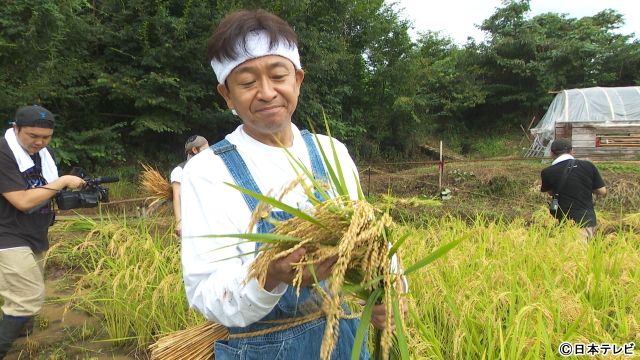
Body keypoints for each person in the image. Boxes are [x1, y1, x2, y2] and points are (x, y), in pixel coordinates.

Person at [180, 10, 396, 359]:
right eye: (247, 83)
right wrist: (272, 276)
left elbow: (371, 241)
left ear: (297, 80)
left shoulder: (331, 153)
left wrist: (385, 291)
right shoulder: (208, 171)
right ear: (227, 95)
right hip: (262, 348)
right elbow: (206, 293)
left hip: (345, 338)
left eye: (278, 76)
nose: (266, 93)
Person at [0, 105, 85, 357]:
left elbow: (43, 191)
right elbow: (23, 201)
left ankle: (22, 343)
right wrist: (62, 182)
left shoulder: (43, 155)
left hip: (34, 232)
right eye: (33, 136)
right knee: (27, 297)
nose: (39, 142)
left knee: (20, 297)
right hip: (6, 233)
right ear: (16, 129)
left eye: (46, 137)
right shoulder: (4, 154)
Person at [540, 138, 607, 241]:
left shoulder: (547, 172)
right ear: (571, 151)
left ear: (551, 153)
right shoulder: (588, 166)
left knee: (571, 254)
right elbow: (602, 191)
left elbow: (550, 192)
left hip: (562, 220)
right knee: (581, 255)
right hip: (587, 219)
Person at [169, 135, 209, 237]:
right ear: (195, 150)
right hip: (190, 221)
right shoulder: (179, 171)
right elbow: (177, 197)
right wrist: (179, 223)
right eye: (205, 149)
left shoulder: (209, 168)